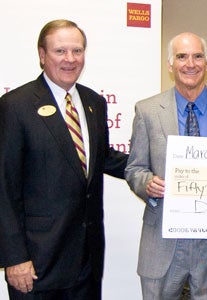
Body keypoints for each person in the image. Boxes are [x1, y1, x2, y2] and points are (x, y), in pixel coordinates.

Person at [0, 19, 128, 300]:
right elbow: (4, 187)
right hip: (36, 262)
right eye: (60, 51)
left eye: (77, 51)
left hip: (87, 258)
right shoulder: (15, 106)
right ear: (42, 55)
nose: (70, 59)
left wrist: (155, 167)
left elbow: (101, 156)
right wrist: (14, 257)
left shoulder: (94, 102)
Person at [125, 32, 207, 300]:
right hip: (163, 238)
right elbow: (134, 168)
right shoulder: (147, 111)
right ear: (170, 65)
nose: (190, 63)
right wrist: (146, 183)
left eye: (197, 56)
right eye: (181, 56)